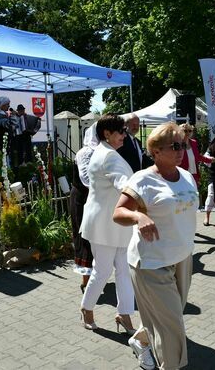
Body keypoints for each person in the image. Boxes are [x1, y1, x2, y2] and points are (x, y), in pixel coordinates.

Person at [113, 122, 198, 370]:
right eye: (175, 146)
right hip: (151, 262)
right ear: (156, 150)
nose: (181, 150)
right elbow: (118, 212)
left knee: (167, 316)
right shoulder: (143, 179)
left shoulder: (185, 176)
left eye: (182, 144)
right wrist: (138, 217)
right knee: (173, 328)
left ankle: (140, 341)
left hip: (182, 257)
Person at [79, 114, 136, 334]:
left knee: (123, 271)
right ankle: (86, 308)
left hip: (117, 224)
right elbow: (123, 183)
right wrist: (144, 197)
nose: (124, 134)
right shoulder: (108, 156)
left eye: (124, 131)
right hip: (104, 225)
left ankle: (124, 314)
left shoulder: (106, 152)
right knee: (102, 271)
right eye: (120, 131)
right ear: (106, 134)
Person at [70, 124, 99, 293]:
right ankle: (86, 280)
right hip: (82, 198)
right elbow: (86, 179)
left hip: (95, 199)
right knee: (84, 237)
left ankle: (96, 275)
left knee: (95, 237)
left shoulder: (103, 151)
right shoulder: (85, 152)